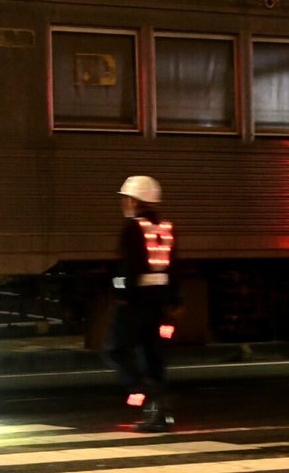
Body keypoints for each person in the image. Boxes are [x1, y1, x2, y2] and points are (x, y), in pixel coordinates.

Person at [102, 175, 182, 432]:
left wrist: (119, 291)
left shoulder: (132, 228)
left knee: (116, 350)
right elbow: (175, 265)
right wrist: (174, 299)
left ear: (136, 201)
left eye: (126, 198)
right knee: (152, 354)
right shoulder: (166, 228)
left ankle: (148, 393)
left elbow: (127, 268)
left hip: (134, 302)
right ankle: (159, 413)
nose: (123, 203)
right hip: (160, 302)